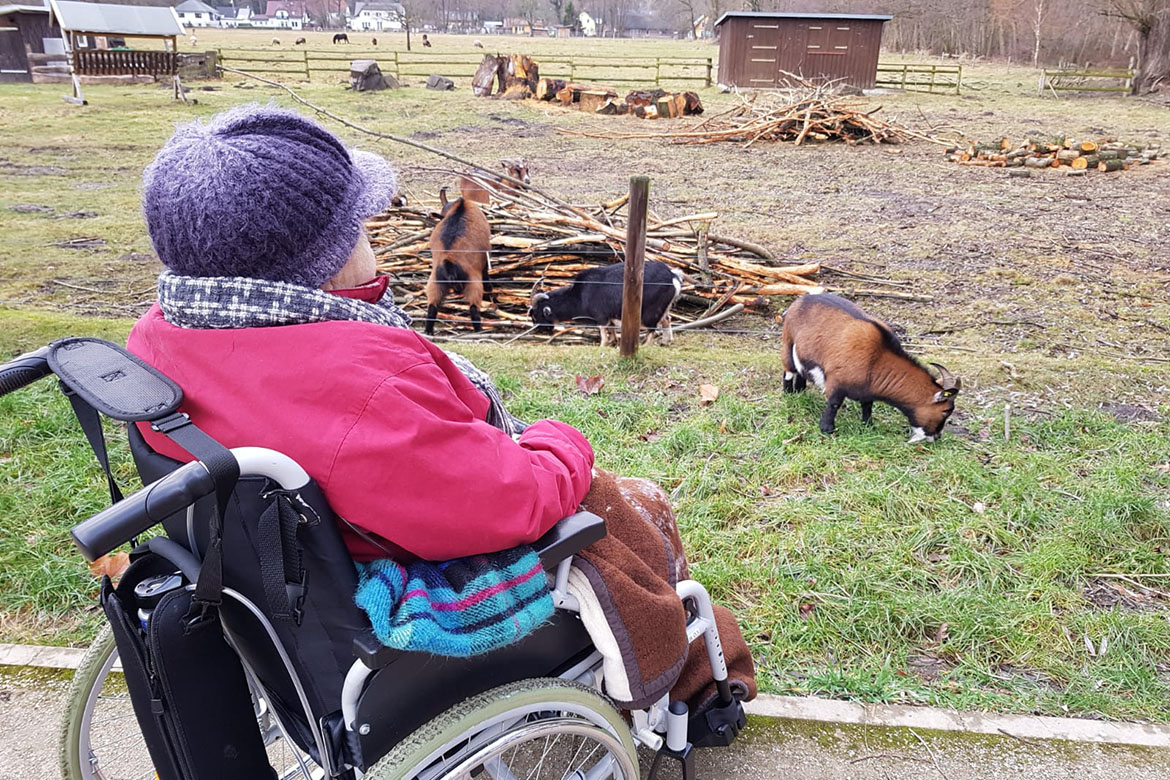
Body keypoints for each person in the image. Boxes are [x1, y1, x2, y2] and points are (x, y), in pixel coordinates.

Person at [127, 104, 594, 563]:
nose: (368, 240)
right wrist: (562, 440)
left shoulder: (155, 337)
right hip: (379, 573)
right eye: (359, 230)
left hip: (263, 558)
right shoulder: (364, 385)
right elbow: (508, 501)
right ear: (327, 264)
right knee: (636, 511)